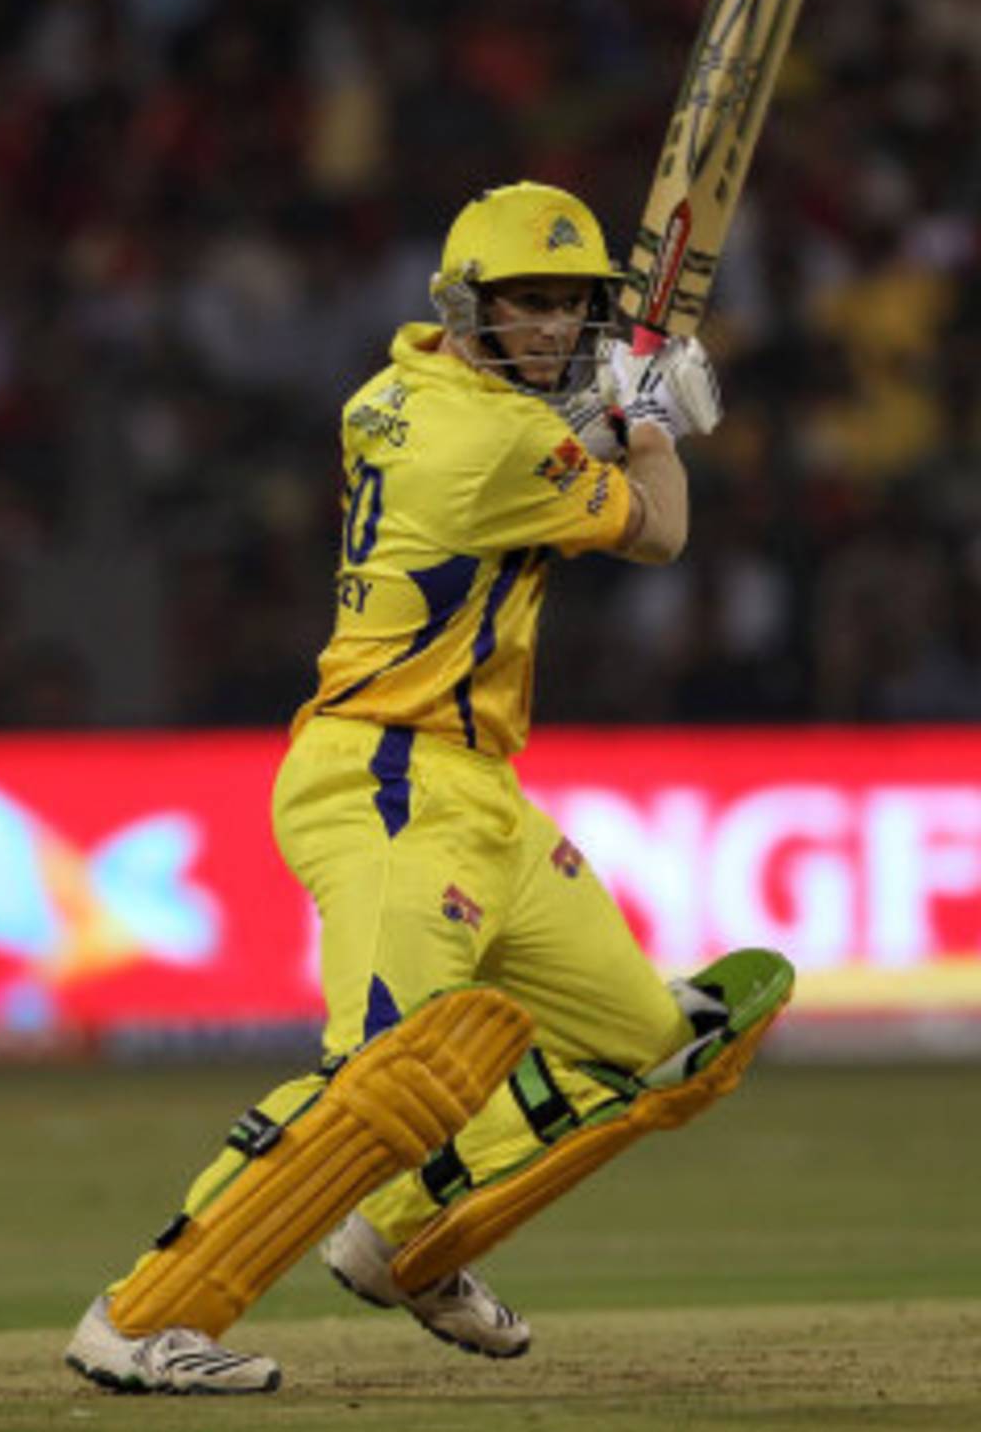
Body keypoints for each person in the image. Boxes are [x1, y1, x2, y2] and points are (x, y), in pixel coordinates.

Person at [64, 180, 791, 1395]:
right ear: (466, 302)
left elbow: (540, 452)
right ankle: (141, 1317)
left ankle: (399, 1228)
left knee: (669, 1047)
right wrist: (656, 426)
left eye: (570, 306)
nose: (554, 328)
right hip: (389, 779)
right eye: (526, 303)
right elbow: (658, 530)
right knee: (386, 1071)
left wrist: (607, 414)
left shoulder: (393, 394)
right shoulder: (490, 440)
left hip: (477, 795)